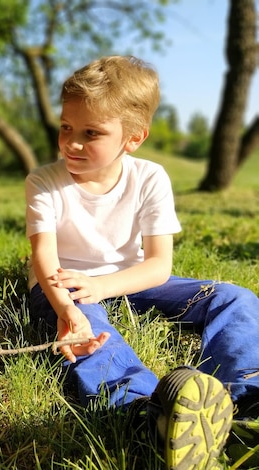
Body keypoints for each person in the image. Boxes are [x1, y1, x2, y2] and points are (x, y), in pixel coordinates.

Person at [25, 55, 259, 469]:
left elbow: (158, 267)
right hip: (66, 289)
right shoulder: (44, 182)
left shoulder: (150, 178)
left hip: (130, 281)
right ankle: (148, 415)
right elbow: (44, 257)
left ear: (133, 138)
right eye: (66, 127)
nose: (71, 142)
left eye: (91, 133)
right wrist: (68, 311)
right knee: (92, 334)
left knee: (234, 299)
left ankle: (243, 399)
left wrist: (107, 285)